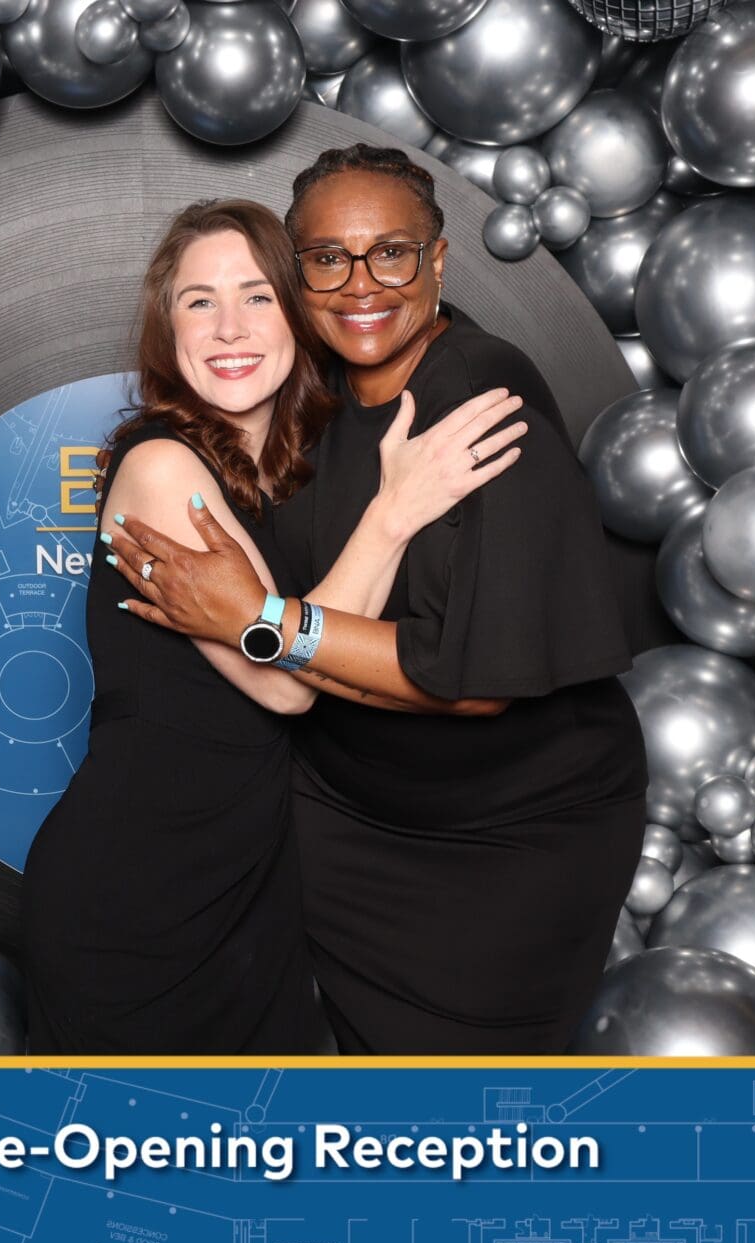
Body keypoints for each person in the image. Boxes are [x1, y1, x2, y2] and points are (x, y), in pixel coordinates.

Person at [104, 148, 649, 1054]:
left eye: (391, 253)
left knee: (459, 1103)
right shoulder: (312, 397)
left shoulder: (476, 396)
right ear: (301, 275)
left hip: (508, 832)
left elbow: (474, 686)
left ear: (438, 261)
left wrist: (257, 623)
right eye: (328, 259)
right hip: (346, 822)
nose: (361, 284)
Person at [22, 198, 529, 1053]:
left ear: (296, 315)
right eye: (200, 301)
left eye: (257, 296)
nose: (229, 327)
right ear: (169, 330)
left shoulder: (285, 483)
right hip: (136, 891)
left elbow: (326, 637)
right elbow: (288, 686)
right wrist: (395, 511)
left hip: (252, 891)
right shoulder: (159, 467)